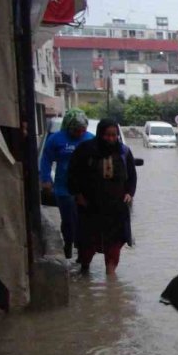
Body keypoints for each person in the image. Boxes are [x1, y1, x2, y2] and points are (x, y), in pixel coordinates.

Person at [67, 119, 137, 275]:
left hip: (116, 208)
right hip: (90, 207)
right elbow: (72, 174)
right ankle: (84, 269)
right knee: (87, 244)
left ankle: (111, 279)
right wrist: (78, 195)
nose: (111, 139)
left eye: (114, 135)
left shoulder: (123, 152)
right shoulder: (85, 150)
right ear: (100, 134)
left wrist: (129, 193)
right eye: (107, 135)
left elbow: (132, 176)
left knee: (114, 245)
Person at [39, 108, 93, 258]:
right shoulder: (56, 139)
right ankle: (68, 243)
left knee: (83, 221)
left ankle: (82, 251)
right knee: (68, 219)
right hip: (64, 188)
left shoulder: (90, 140)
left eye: (83, 130)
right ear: (69, 127)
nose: (80, 133)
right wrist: (46, 180)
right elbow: (46, 160)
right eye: (77, 130)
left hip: (85, 189)